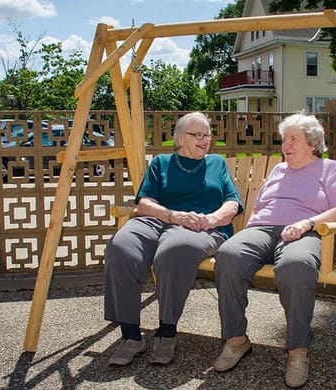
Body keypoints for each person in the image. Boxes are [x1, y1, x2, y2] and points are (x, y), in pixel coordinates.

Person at [212, 113, 336, 388]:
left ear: (312, 143)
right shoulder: (278, 169)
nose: (286, 145)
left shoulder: (329, 169)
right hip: (262, 230)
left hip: (308, 231)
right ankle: (236, 339)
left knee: (294, 266)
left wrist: (307, 223)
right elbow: (263, 206)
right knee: (228, 255)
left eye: (294, 139)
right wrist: (250, 231)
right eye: (284, 139)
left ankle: (298, 351)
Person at [104, 111, 243, 367]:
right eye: (197, 135)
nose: (205, 140)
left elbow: (232, 202)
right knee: (120, 247)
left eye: (207, 135)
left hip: (199, 226)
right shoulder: (161, 163)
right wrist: (171, 215)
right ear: (180, 138)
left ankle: (167, 332)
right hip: (159, 219)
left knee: (174, 250)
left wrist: (212, 219)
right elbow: (144, 202)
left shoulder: (216, 163)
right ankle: (131, 336)